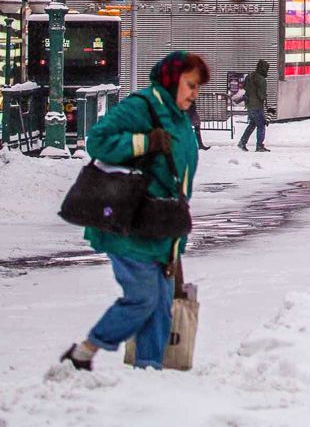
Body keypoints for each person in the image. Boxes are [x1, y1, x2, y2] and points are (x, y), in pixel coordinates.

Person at [59, 51, 209, 372]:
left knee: (161, 307)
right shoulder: (142, 106)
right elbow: (97, 140)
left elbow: (178, 180)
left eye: (197, 88)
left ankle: (148, 372)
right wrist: (143, 143)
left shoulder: (181, 118)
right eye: (191, 85)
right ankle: (84, 352)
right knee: (143, 298)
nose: (195, 94)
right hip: (130, 222)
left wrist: (176, 245)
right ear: (171, 80)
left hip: (163, 227)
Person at [237, 59, 270, 152]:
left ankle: (242, 142)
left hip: (249, 105)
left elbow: (244, 88)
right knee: (261, 125)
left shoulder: (249, 76)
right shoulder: (261, 79)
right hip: (257, 106)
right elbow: (261, 95)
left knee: (252, 124)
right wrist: (265, 97)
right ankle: (259, 146)